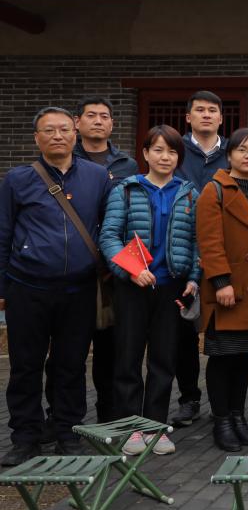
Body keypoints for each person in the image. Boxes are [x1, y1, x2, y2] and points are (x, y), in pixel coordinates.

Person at [0, 107, 114, 466]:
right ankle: (25, 436)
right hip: (26, 287)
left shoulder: (97, 176)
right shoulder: (17, 179)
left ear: (74, 134)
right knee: (25, 366)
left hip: (79, 289)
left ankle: (67, 431)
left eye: (64, 129)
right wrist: (3, 287)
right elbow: (3, 233)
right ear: (37, 138)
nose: (57, 136)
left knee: (71, 365)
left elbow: (109, 226)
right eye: (48, 130)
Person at [99, 125, 200, 456]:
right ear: (145, 153)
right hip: (132, 288)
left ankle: (155, 426)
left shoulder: (189, 193)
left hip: (170, 286)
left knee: (163, 360)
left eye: (171, 151)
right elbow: (109, 236)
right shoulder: (126, 190)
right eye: (158, 150)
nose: (165, 157)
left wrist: (194, 276)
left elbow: (198, 241)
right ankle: (131, 427)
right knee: (127, 359)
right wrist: (131, 270)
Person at [196, 128, 248, 452]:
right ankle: (222, 421)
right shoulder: (214, 190)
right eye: (242, 150)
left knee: (242, 358)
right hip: (228, 289)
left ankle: (238, 417)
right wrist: (221, 281)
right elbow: (209, 241)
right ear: (229, 155)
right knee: (222, 356)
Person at [68, 96, 138, 427]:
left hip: (113, 270)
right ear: (77, 122)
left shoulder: (127, 165)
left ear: (112, 124)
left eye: (105, 116)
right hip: (73, 268)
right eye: (91, 115)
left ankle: (110, 417)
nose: (98, 121)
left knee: (111, 349)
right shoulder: (65, 160)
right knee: (70, 349)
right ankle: (65, 419)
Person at [171, 90, 229, 428]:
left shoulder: (231, 153)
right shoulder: (175, 151)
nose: (206, 115)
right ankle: (189, 398)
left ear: (221, 118)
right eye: (200, 110)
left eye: (212, 110)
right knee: (183, 332)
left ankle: (226, 405)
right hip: (182, 250)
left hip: (223, 252)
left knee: (223, 330)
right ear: (188, 117)